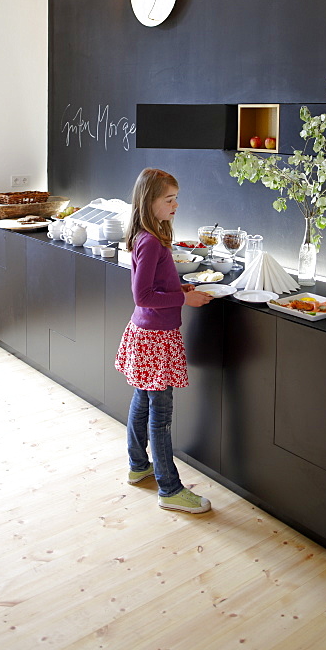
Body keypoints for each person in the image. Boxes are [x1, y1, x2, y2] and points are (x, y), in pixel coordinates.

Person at [115, 168, 213, 513]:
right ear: (149, 202)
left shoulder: (148, 237)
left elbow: (155, 289)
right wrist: (184, 299)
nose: (176, 205)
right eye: (168, 199)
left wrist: (179, 290)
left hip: (150, 333)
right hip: (156, 337)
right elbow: (142, 295)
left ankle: (138, 466)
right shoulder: (150, 241)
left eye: (176, 198)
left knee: (143, 400)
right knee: (161, 413)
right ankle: (170, 489)